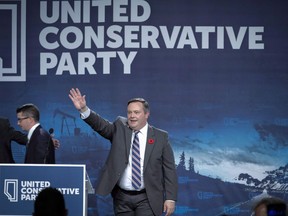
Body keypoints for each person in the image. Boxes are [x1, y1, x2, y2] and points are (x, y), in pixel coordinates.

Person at [69, 88, 178, 216]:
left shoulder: (161, 137)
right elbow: (101, 125)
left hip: (148, 198)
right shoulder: (120, 127)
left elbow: (169, 170)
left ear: (146, 114)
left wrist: (170, 198)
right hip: (122, 198)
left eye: (136, 112)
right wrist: (83, 109)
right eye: (129, 112)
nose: (132, 116)